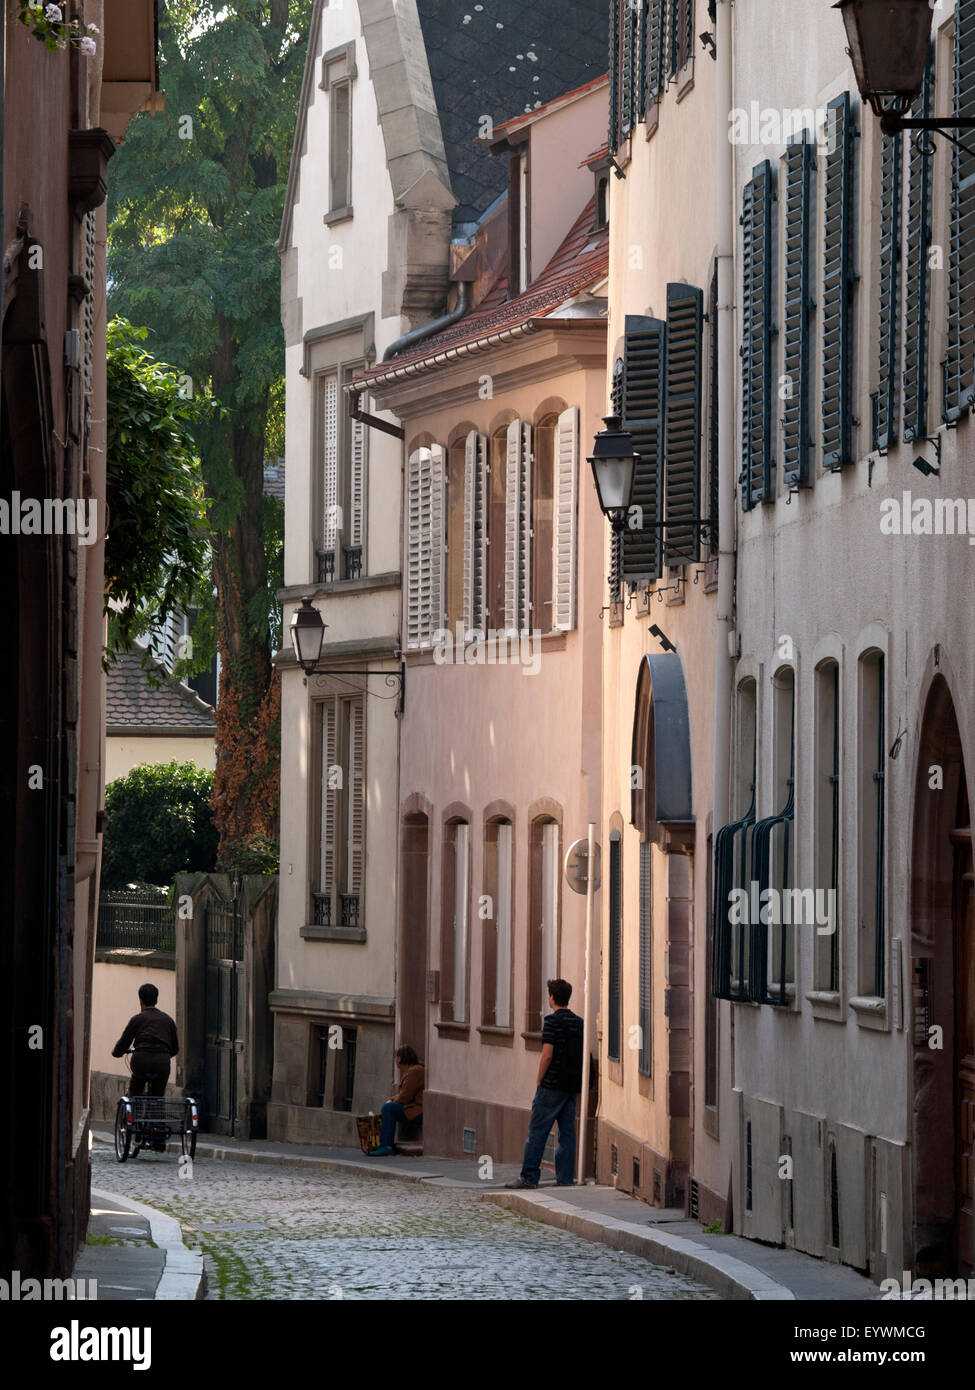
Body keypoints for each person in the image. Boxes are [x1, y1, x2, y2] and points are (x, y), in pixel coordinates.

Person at [506, 978, 584, 1189]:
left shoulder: (552, 1022)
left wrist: (539, 1080)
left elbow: (547, 1055)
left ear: (552, 997)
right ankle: (565, 1178)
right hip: (571, 1086)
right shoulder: (579, 1022)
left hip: (551, 1085)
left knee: (537, 1132)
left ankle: (529, 1177)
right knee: (567, 1133)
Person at [112, 983, 179, 1098]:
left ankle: (133, 1109)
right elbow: (175, 1048)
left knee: (136, 1089)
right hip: (162, 1063)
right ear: (156, 1000)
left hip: (141, 1061)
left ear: (140, 1000)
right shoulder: (168, 1020)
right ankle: (156, 1110)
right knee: (157, 1096)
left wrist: (117, 1052)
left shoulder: (137, 1020)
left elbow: (123, 1043)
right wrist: (163, 1054)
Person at [369, 1045, 424, 1156]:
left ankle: (386, 1145)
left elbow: (405, 1097)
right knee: (389, 1107)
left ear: (399, 1059)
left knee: (388, 1108)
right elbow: (403, 1094)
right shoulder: (412, 1071)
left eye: (396, 1058)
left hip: (418, 1111)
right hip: (414, 1108)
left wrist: (391, 1101)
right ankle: (384, 1143)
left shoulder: (415, 1072)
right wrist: (392, 1099)